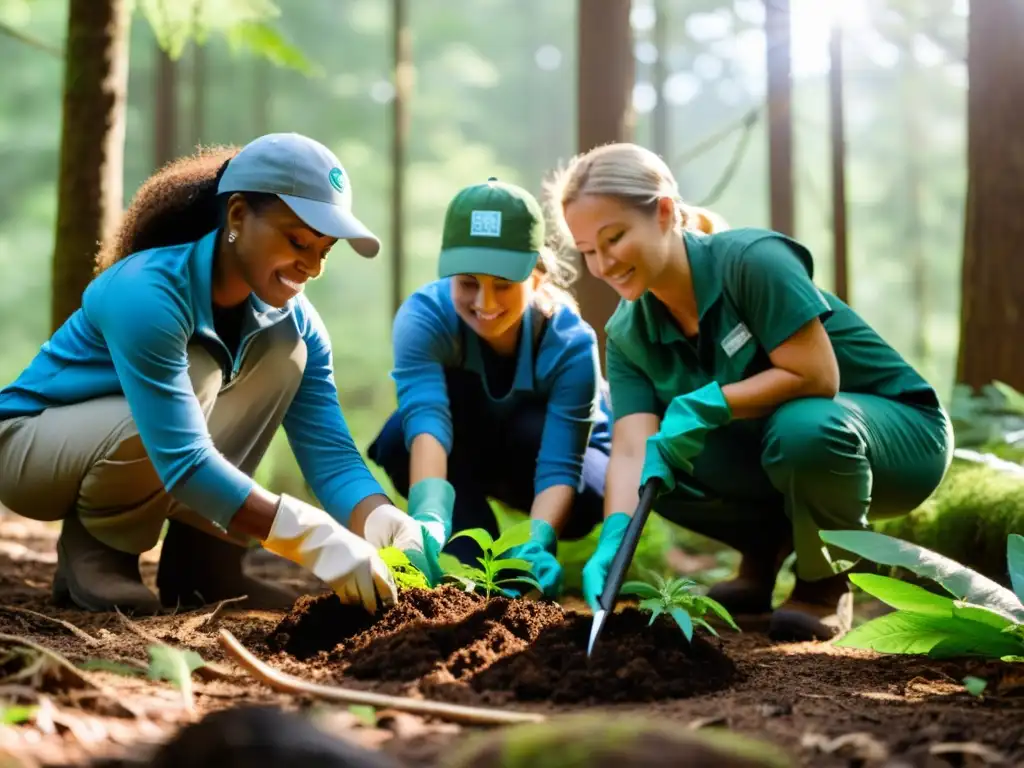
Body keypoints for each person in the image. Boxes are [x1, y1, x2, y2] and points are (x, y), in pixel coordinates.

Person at [0, 132, 444, 616]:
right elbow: (183, 459)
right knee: (200, 371)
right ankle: (101, 551)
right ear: (236, 216)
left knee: (283, 354)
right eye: (297, 241)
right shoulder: (148, 291)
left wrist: (379, 517)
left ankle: (205, 561)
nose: (312, 267)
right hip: (29, 449)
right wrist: (314, 537)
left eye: (325, 249)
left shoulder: (293, 322)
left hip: (130, 444)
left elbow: (330, 453)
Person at [545, 142, 954, 641]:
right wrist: (614, 538)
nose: (603, 264)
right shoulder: (630, 332)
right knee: (657, 466)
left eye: (614, 238)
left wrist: (709, 401)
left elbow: (817, 377)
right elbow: (631, 448)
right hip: (789, 447)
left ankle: (824, 580)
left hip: (899, 437)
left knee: (803, 425)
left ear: (665, 213)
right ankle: (763, 555)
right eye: (588, 251)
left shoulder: (751, 261)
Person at [367, 178, 610, 597]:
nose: (484, 302)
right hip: (471, 444)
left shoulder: (571, 343)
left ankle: (523, 557)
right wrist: (427, 519)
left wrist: (539, 540)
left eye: (503, 284)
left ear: (536, 276)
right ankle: (473, 558)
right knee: (398, 438)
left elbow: (560, 461)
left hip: (559, 464)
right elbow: (427, 421)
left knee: (538, 438)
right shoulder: (425, 318)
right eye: (467, 283)